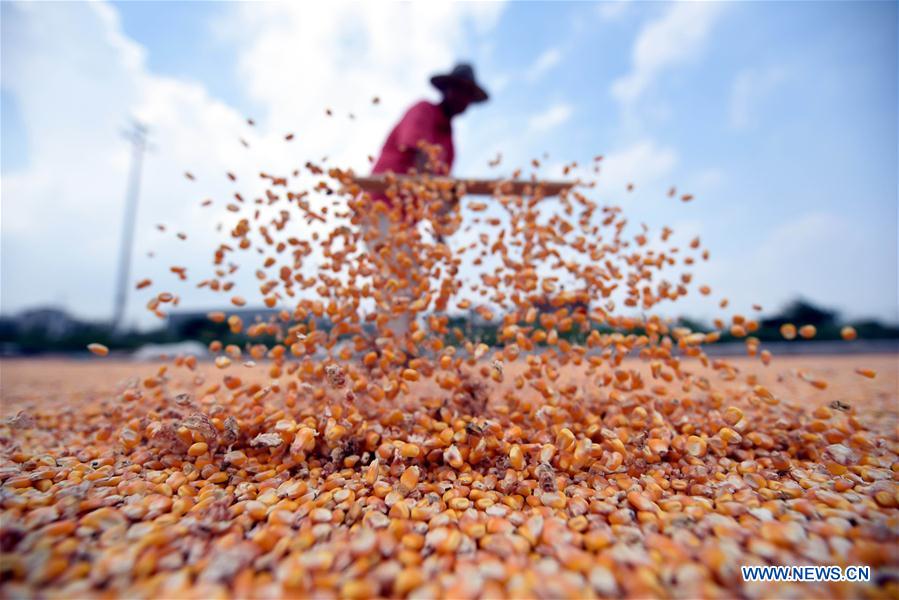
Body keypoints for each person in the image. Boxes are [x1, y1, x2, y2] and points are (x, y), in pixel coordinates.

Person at [362, 63, 489, 349]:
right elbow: (421, 158)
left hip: (406, 220)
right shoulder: (423, 111)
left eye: (470, 95)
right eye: (461, 91)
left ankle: (399, 348)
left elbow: (439, 190)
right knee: (397, 279)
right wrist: (441, 191)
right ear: (447, 89)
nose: (465, 100)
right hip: (380, 206)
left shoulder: (449, 140)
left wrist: (442, 226)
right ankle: (392, 352)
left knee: (412, 281)